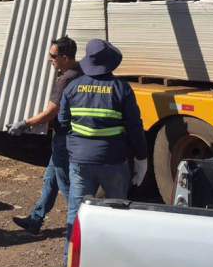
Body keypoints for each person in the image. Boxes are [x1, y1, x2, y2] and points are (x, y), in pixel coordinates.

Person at [59, 39, 147, 242]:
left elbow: (63, 123)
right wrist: (142, 158)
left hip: (80, 161)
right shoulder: (121, 89)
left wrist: (76, 146)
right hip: (113, 161)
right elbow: (134, 127)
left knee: (77, 214)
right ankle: (115, 261)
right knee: (116, 213)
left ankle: (71, 261)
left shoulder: (72, 87)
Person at [8, 36, 83, 235]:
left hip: (65, 139)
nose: (50, 59)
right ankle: (35, 220)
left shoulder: (65, 79)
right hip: (72, 137)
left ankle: (80, 228)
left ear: (65, 58)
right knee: (51, 179)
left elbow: (51, 112)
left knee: (67, 186)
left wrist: (25, 123)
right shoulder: (81, 71)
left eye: (53, 56)